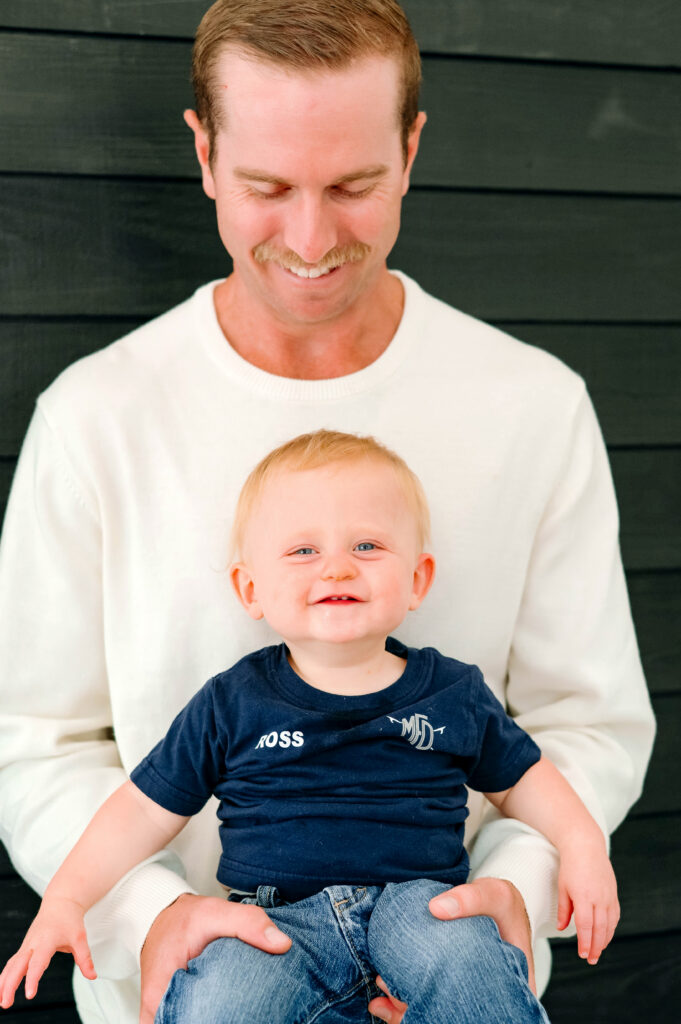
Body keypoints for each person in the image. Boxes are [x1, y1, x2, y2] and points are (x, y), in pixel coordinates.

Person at [0, 2, 654, 1023]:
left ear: (412, 148)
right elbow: (36, 742)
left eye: (353, 184)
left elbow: (587, 721)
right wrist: (148, 914)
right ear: (205, 153)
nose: (310, 239)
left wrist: (509, 893)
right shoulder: (94, 418)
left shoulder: (532, 405)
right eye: (267, 187)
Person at [1, 431, 620, 1024]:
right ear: (251, 588)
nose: (337, 570)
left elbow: (523, 780)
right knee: (217, 1001)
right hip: (274, 925)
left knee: (472, 968)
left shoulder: (453, 691)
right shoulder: (231, 702)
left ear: (417, 579)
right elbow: (140, 811)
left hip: (423, 907)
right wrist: (67, 898)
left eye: (367, 547)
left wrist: (583, 844)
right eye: (303, 551)